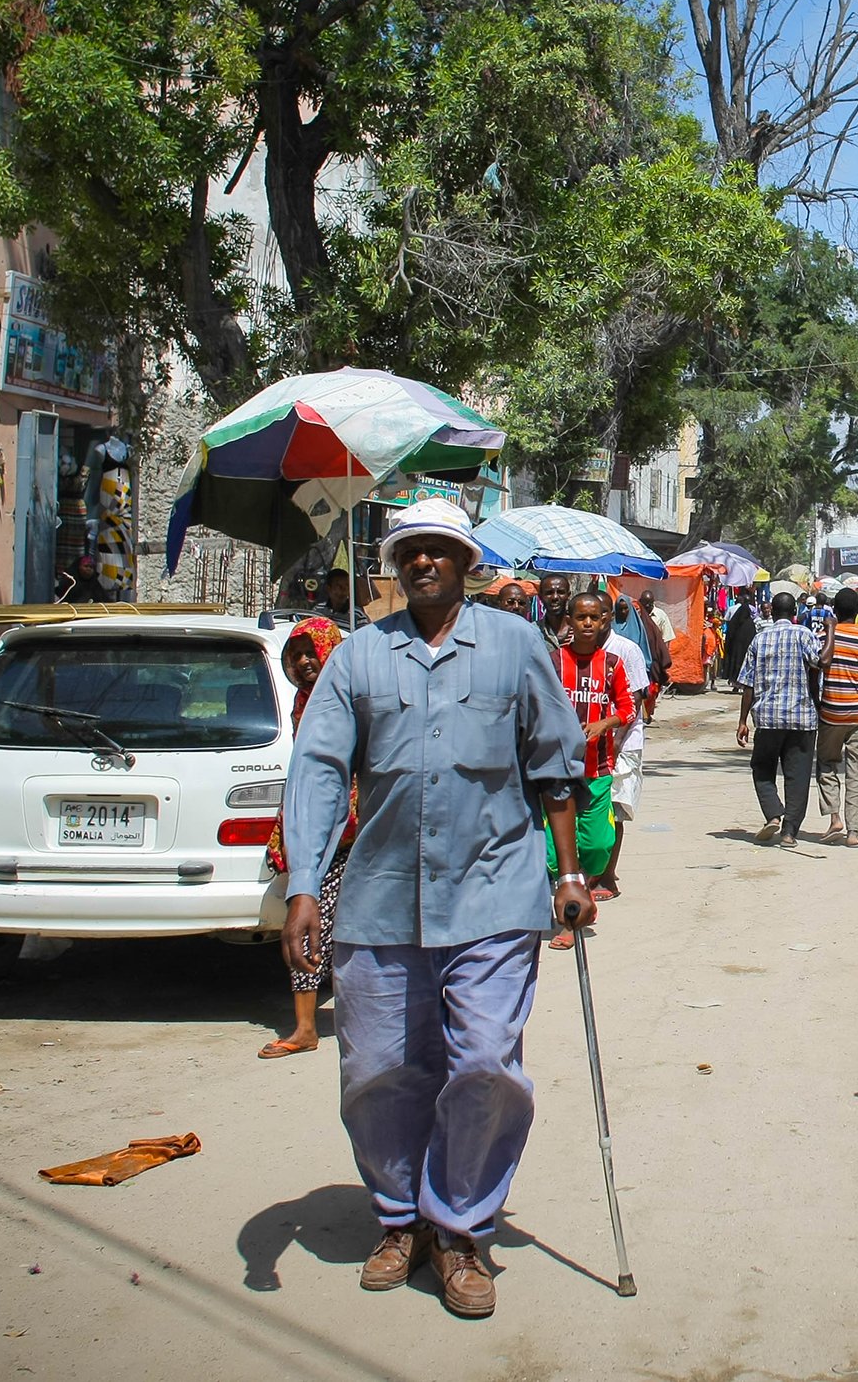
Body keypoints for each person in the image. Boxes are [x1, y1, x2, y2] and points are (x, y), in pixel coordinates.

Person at [281, 498, 592, 1319]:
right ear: (396, 565)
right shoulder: (357, 658)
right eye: (410, 551)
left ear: (465, 564)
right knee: (378, 1071)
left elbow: (555, 765)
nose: (424, 562)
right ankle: (400, 1220)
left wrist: (570, 874)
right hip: (382, 898)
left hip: (495, 892)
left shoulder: (517, 646)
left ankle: (459, 1228)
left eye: (439, 550)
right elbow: (318, 770)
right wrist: (305, 885)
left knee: (485, 1062)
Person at [259, 617, 354, 1059]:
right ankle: (304, 1027)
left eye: (309, 652)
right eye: (294, 656)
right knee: (308, 924)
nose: (302, 662)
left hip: (355, 829)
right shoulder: (302, 701)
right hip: (320, 833)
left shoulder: (346, 699)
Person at [546, 592, 636, 946]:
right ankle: (571, 915)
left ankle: (583, 887)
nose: (587, 623)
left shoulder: (612, 664)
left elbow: (628, 709)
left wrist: (604, 724)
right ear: (569, 620)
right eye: (580, 617)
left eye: (594, 618)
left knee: (598, 844)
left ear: (604, 621)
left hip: (597, 769)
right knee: (554, 850)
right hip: (556, 770)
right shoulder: (553, 662)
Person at [735, 592, 832, 846]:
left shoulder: (759, 639)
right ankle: (789, 832)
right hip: (801, 718)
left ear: (772, 612)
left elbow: (748, 684)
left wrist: (743, 721)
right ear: (794, 613)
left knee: (762, 768)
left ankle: (773, 814)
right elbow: (822, 662)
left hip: (768, 718)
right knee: (797, 775)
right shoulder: (804, 635)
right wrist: (830, 630)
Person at [815, 588, 858, 848]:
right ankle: (853, 832)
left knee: (826, 763)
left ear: (835, 611)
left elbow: (814, 673)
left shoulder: (824, 636)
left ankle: (834, 818)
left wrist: (818, 704)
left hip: (832, 712)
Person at [595, 593, 649, 902]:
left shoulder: (627, 650)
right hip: (588, 742)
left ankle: (607, 876)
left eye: (602, 613)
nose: (594, 621)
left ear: (611, 615)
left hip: (622, 742)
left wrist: (615, 741)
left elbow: (636, 698)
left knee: (614, 808)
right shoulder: (577, 651)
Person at [638, 590, 676, 721]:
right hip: (640, 657)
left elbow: (666, 638)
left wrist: (663, 657)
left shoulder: (660, 616)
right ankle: (642, 714)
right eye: (645, 604)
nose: (647, 607)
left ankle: (648, 712)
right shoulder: (636, 615)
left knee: (653, 689)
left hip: (654, 658)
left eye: (649, 604)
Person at [723, 588, 758, 691]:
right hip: (746, 653)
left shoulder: (735, 623)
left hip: (736, 651)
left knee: (736, 665)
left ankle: (735, 684)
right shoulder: (751, 624)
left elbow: (730, 634)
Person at [538, 573, 572, 652]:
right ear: (540, 597)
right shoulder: (534, 631)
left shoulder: (580, 630)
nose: (555, 597)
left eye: (560, 592)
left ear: (568, 595)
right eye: (549, 593)